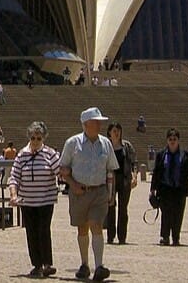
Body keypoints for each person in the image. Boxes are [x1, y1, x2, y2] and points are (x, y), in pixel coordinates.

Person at [59, 107, 119, 281]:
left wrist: (111, 193)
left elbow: (111, 170)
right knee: (82, 227)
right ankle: (84, 264)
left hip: (99, 191)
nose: (99, 124)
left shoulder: (106, 143)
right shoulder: (72, 143)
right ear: (86, 124)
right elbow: (63, 169)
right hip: (79, 191)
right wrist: (72, 185)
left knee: (96, 224)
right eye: (96, 121)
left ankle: (99, 265)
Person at [8, 121, 60, 279]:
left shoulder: (50, 154)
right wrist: (13, 195)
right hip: (28, 201)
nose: (35, 141)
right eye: (33, 138)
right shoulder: (22, 155)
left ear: (43, 138)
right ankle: (36, 264)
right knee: (31, 232)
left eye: (38, 138)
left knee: (44, 230)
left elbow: (60, 172)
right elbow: (14, 177)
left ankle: (47, 264)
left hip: (45, 200)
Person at [148, 127, 188, 246]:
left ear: (178, 140)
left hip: (179, 189)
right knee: (166, 214)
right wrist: (152, 189)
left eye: (174, 139)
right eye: (170, 139)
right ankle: (165, 237)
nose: (172, 141)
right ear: (167, 140)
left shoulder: (184, 155)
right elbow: (156, 173)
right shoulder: (161, 155)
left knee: (178, 214)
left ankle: (176, 237)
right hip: (165, 189)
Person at [104, 122, 137, 245]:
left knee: (123, 209)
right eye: (113, 130)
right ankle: (110, 236)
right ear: (109, 133)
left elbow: (134, 162)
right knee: (110, 208)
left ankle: (122, 236)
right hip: (110, 180)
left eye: (118, 130)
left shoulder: (127, 146)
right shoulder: (105, 146)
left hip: (124, 180)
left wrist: (134, 177)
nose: (116, 133)